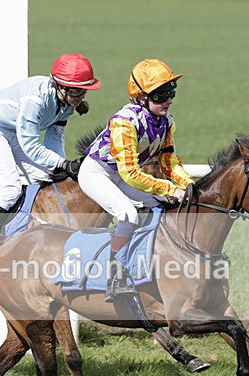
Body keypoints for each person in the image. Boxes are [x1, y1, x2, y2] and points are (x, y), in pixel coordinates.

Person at [78, 59, 194, 302]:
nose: (168, 99)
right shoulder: (124, 122)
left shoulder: (167, 121)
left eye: (171, 92)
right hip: (97, 173)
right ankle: (114, 277)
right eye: (160, 94)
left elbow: (169, 161)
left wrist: (187, 183)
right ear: (141, 97)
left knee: (159, 205)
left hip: (120, 174)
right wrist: (169, 188)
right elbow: (130, 172)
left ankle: (147, 263)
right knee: (129, 214)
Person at [0, 53, 101, 231]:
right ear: (59, 87)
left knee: (45, 176)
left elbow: (54, 137)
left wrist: (60, 167)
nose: (80, 96)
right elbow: (31, 146)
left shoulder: (66, 103)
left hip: (17, 132)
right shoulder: (35, 101)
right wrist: (63, 163)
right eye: (75, 90)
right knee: (9, 189)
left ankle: (27, 228)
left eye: (83, 91)